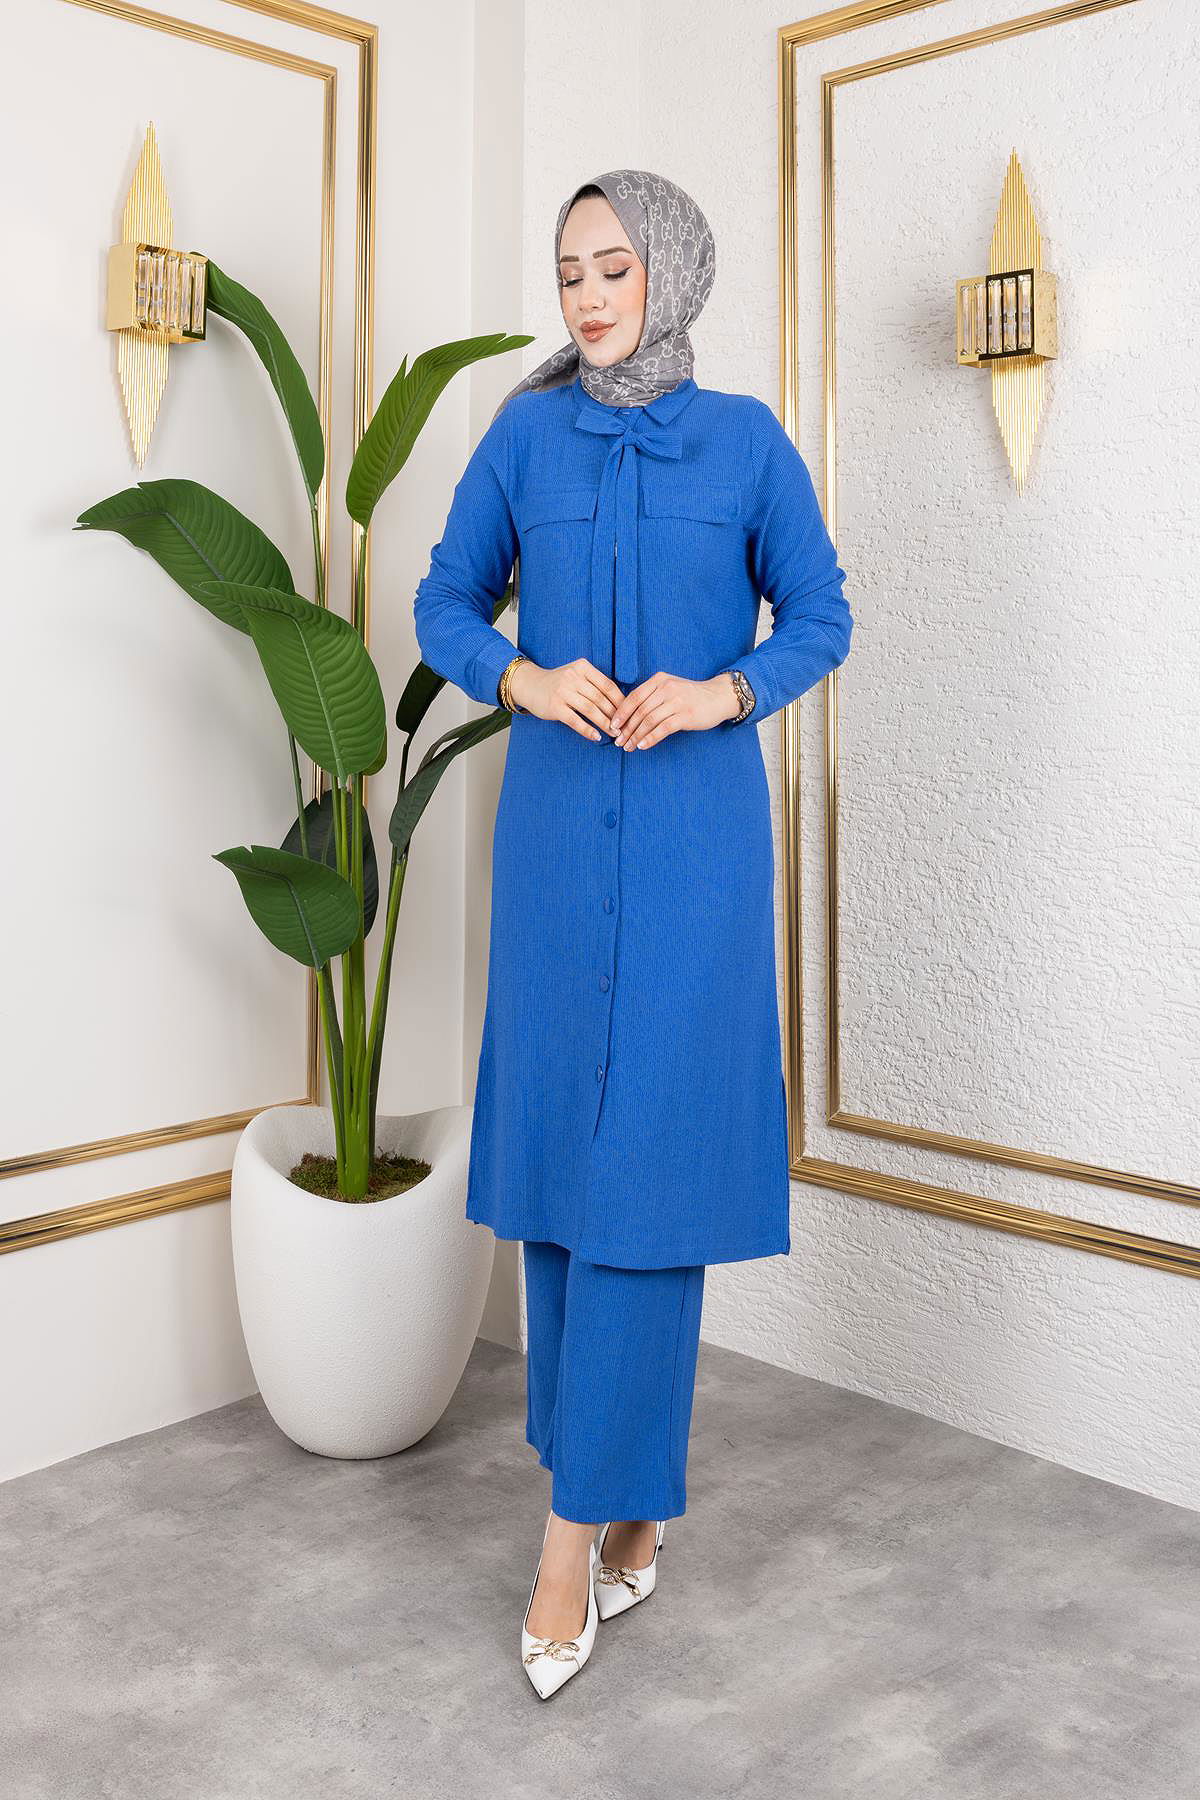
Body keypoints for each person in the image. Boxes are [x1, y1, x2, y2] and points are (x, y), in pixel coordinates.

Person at [413, 169, 853, 1698]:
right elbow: (445, 601)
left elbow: (820, 615)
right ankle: (631, 1495)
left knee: (647, 1188)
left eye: (614, 266)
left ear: (671, 270)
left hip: (693, 860)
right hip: (550, 851)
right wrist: (523, 679)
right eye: (569, 272)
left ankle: (566, 1544)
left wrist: (727, 691)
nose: (590, 295)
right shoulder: (525, 436)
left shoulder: (746, 442)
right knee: (561, 1183)